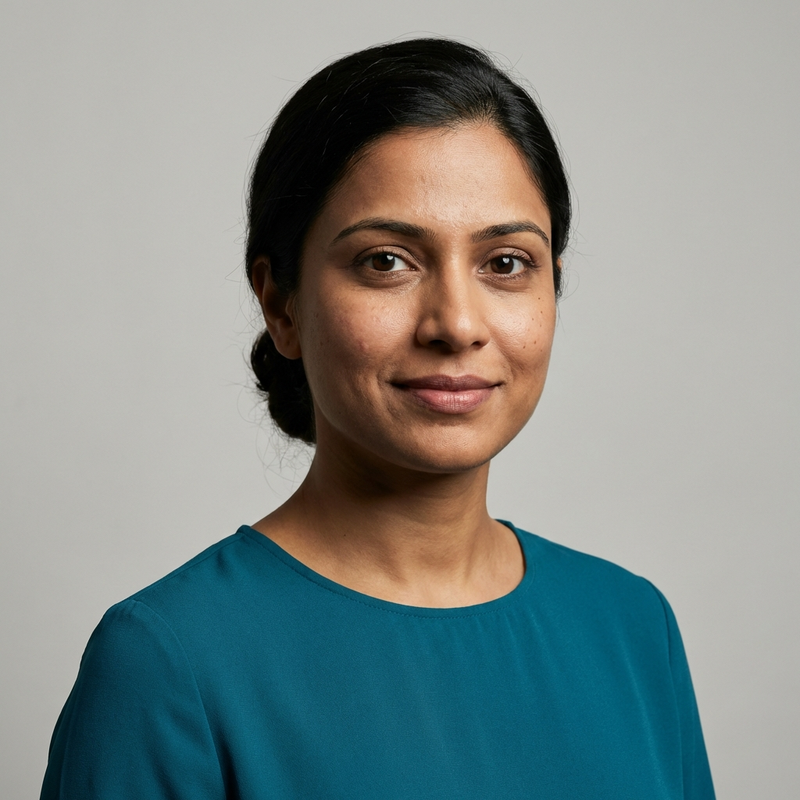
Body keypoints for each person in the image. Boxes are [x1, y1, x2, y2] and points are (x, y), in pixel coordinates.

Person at [40, 38, 715, 799]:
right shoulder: (168, 664)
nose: (457, 324)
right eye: (387, 261)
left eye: (505, 263)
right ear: (281, 303)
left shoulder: (631, 629)